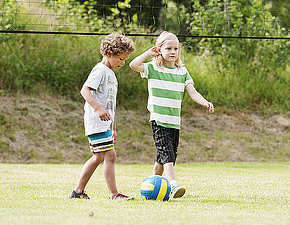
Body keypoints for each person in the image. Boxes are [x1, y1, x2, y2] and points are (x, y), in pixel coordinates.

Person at [129, 31, 214, 199]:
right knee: (167, 153)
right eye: (168, 48)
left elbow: (193, 92)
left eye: (176, 48)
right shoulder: (153, 68)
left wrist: (205, 102)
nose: (173, 52)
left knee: (164, 158)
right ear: (159, 49)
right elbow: (133, 64)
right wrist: (148, 53)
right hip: (158, 120)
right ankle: (173, 186)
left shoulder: (182, 72)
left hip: (174, 122)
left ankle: (151, 185)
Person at [69, 32, 136, 200]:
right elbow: (85, 90)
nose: (123, 63)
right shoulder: (100, 71)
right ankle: (114, 194)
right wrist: (98, 109)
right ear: (108, 54)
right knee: (109, 155)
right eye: (120, 59)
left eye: (125, 59)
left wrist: (113, 128)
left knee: (99, 157)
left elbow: (111, 106)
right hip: (95, 122)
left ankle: (77, 192)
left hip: (104, 124)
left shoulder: (111, 74)